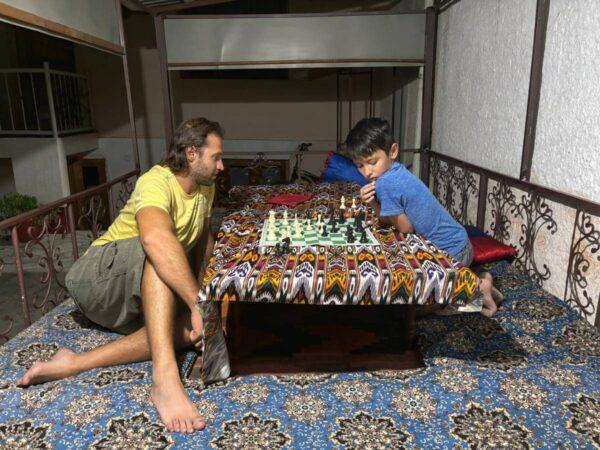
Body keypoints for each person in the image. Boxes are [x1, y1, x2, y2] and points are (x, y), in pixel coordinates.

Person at [17, 117, 225, 434]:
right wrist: (197, 301)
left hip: (136, 290)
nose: (221, 166)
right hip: (96, 280)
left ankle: (73, 362)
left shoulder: (204, 188)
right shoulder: (156, 182)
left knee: (196, 328)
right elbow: (155, 239)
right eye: (216, 157)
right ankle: (164, 379)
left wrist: (202, 296)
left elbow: (202, 238)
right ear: (192, 153)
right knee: (158, 252)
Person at [343, 117, 502, 317]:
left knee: (423, 309)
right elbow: (392, 218)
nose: (367, 172)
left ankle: (477, 292)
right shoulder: (397, 170)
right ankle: (481, 278)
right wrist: (374, 204)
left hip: (451, 254)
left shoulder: (386, 184)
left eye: (372, 162)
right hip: (462, 243)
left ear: (392, 151)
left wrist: (374, 204)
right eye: (359, 165)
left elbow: (405, 228)